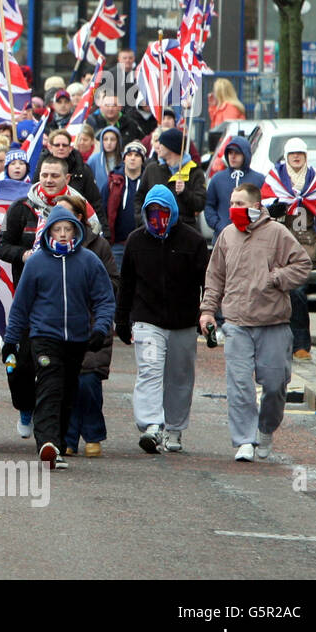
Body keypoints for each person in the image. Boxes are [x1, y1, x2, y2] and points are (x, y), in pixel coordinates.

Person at [199, 183, 312, 462]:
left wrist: (276, 278)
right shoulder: (226, 235)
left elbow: (302, 266)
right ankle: (245, 440)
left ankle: (265, 429)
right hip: (237, 323)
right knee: (239, 385)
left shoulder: (277, 233)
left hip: (273, 322)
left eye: (240, 203)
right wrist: (207, 312)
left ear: (255, 206)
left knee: (275, 385)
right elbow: (214, 278)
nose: (234, 209)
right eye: (232, 203)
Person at [2, 204, 115, 471]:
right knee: (49, 388)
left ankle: (60, 443)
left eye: (68, 229)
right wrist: (11, 340)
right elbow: (21, 305)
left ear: (76, 230)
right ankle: (47, 444)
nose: (63, 234)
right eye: (58, 229)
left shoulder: (88, 261)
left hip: (77, 339)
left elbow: (104, 299)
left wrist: (100, 328)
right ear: (49, 231)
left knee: (67, 393)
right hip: (44, 336)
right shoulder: (37, 262)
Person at [115, 184, 209, 455]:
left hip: (183, 321)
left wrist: (208, 313)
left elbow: (207, 282)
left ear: (173, 211)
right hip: (148, 320)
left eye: (163, 211)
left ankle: (175, 428)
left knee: (179, 377)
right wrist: (122, 320)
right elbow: (127, 284)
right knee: (150, 371)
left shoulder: (193, 241)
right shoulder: (136, 240)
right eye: (152, 211)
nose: (157, 217)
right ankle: (151, 426)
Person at [55, 195, 119, 459]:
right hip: (62, 324)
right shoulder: (49, 246)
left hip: (94, 323)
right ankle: (68, 437)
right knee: (66, 382)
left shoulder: (98, 245)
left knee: (88, 380)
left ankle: (93, 433)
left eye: (65, 216)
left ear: (78, 219)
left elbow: (113, 283)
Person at [262, 138, 316, 361]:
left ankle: (301, 344)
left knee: (297, 293)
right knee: (279, 295)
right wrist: (272, 209)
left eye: (300, 154)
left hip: (306, 249)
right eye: (292, 153)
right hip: (280, 247)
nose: (296, 157)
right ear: (286, 156)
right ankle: (280, 343)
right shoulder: (274, 180)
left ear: (306, 156)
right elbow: (262, 211)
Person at [35, 128, 106, 236]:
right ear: (50, 147)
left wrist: (105, 232)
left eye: (64, 145)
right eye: (57, 145)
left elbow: (95, 201)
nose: (61, 148)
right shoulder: (40, 167)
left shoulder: (83, 170)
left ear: (70, 148)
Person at [135, 127, 206, 230]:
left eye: (162, 143)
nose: (158, 147)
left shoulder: (194, 171)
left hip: (183, 231)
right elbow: (139, 198)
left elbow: (200, 204)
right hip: (154, 230)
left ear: (171, 147)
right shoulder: (152, 169)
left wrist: (184, 192)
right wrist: (143, 222)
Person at [99, 142, 147, 267]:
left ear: (142, 160)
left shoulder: (147, 183)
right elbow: (102, 209)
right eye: (129, 154)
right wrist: (107, 235)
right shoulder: (112, 183)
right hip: (117, 244)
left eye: (137, 155)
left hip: (143, 244)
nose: (132, 158)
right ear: (124, 158)